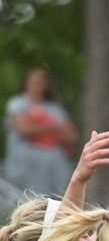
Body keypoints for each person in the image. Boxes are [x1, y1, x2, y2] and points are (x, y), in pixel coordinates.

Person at [4, 67, 76, 195]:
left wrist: (39, 126)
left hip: (52, 166)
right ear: (25, 83)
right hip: (24, 165)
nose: (38, 85)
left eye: (41, 82)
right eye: (34, 82)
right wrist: (53, 127)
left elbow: (70, 137)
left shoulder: (55, 109)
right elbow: (24, 129)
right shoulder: (17, 104)